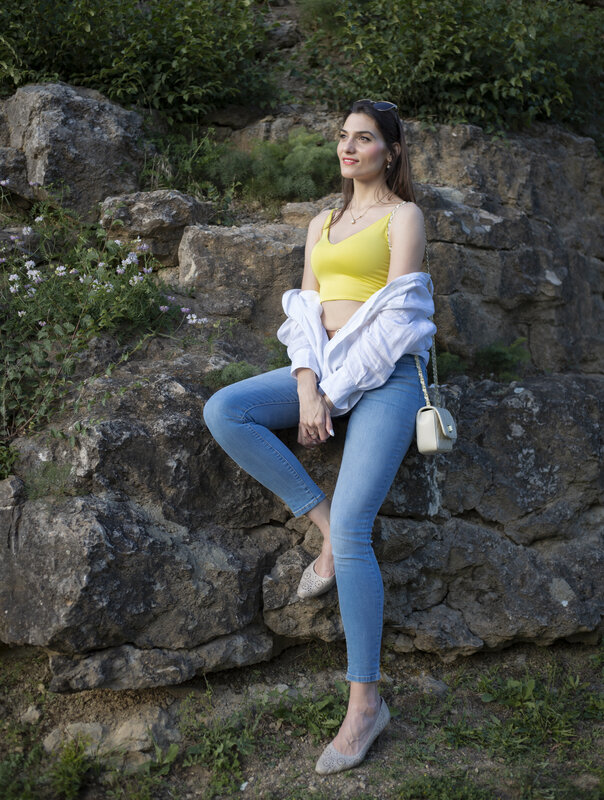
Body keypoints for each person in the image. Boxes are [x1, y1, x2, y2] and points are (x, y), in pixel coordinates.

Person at [203, 98, 436, 774]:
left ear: (391, 150)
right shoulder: (322, 223)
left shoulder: (404, 217)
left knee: (361, 531)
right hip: (326, 368)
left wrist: (332, 395)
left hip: (389, 376)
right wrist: (309, 386)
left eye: (364, 138)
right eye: (343, 137)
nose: (348, 147)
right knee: (226, 410)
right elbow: (304, 315)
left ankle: (365, 704)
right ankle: (323, 523)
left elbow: (398, 320)